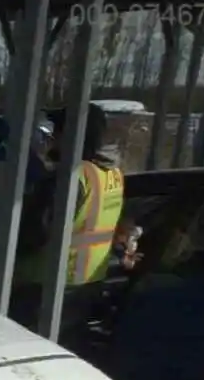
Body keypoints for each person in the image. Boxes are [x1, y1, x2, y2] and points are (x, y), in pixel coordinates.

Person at [7, 104, 126, 325]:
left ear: (74, 136)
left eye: (59, 131)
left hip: (44, 287)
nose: (53, 137)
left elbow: (32, 233)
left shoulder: (70, 177)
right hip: (88, 284)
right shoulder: (112, 174)